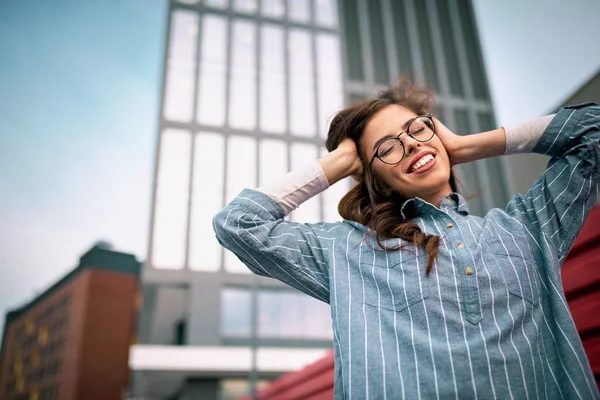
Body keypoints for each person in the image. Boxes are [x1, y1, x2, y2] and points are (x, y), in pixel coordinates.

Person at [213, 79, 600, 399]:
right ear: (375, 178)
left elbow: (592, 132)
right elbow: (239, 224)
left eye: (417, 129)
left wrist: (467, 145)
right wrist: (340, 163)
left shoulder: (526, 228)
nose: (412, 144)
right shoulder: (346, 249)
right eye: (387, 148)